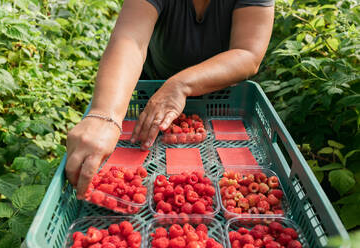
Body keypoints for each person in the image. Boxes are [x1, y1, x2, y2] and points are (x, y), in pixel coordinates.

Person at [66, 0, 275, 199]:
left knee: (218, 175)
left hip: (222, 100)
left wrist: (180, 84)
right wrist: (105, 115)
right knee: (144, 163)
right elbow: (130, 40)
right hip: (154, 97)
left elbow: (247, 53)